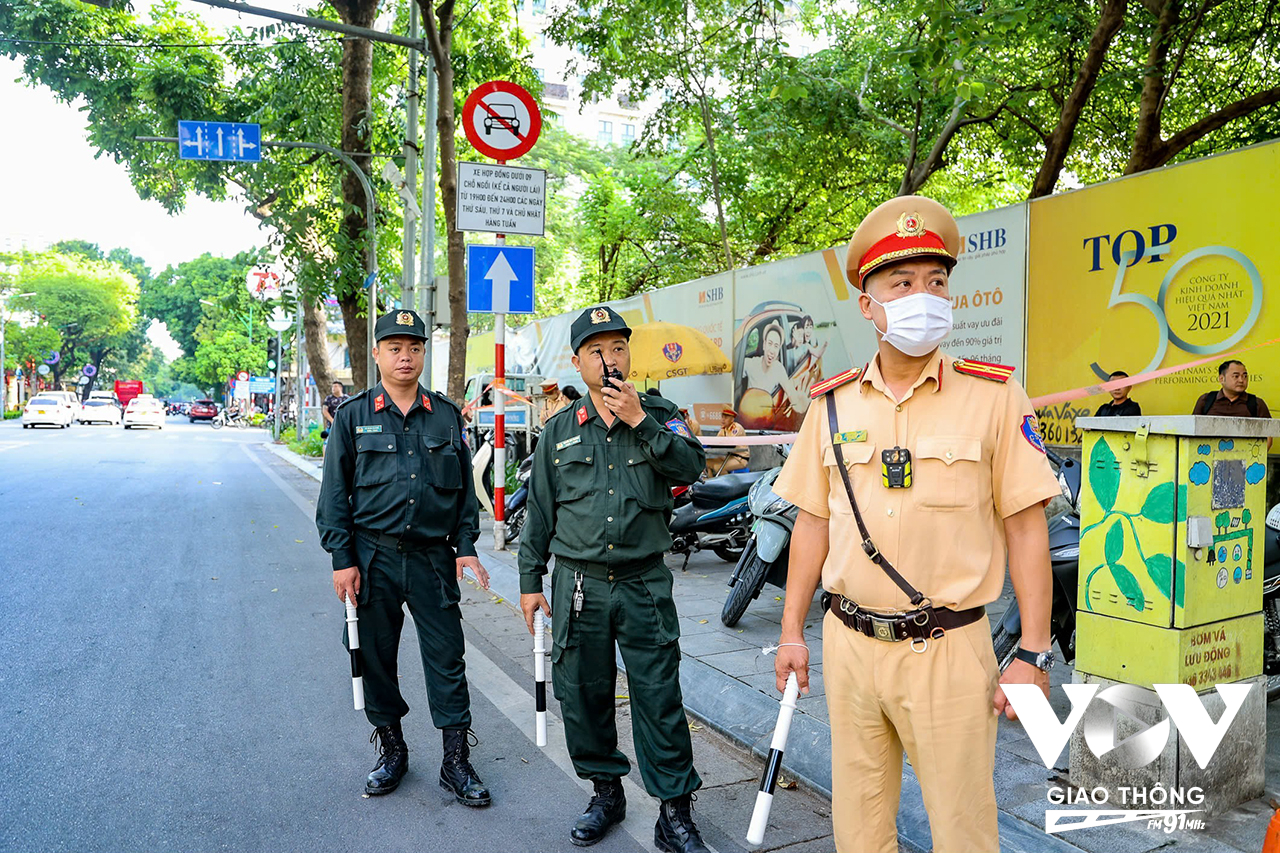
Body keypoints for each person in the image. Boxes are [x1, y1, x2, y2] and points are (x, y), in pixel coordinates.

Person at [770, 196, 1061, 853]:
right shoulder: (832, 405)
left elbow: (1025, 526)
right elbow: (813, 523)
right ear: (868, 305)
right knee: (860, 827)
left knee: (962, 830)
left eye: (936, 282)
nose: (923, 296)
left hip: (951, 650)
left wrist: (1034, 652)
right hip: (847, 644)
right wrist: (791, 630)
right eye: (901, 283)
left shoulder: (994, 395)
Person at [517, 305, 711, 852]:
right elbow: (540, 513)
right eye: (597, 351)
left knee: (658, 694)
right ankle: (606, 791)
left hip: (644, 581)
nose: (609, 359)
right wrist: (530, 579)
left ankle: (674, 811)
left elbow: (692, 467)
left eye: (618, 348)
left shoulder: (659, 412)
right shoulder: (558, 431)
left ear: (629, 355)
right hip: (578, 584)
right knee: (582, 692)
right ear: (578, 361)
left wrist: (639, 423)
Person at [315, 308, 494, 806]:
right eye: (394, 347)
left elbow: (464, 494)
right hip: (372, 557)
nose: (405, 356)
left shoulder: (445, 415)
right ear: (376, 354)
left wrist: (466, 549)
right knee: (375, 657)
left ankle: (455, 761)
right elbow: (333, 496)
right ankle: (392, 750)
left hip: (433, 559)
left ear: (423, 353)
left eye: (414, 347)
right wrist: (341, 558)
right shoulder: (354, 416)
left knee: (447, 658)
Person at [740, 321, 811, 426]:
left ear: (778, 350)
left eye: (776, 346)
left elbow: (791, 393)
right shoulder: (750, 363)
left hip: (766, 421)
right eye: (770, 344)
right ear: (764, 345)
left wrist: (800, 405)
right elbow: (731, 370)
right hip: (748, 419)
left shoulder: (778, 369)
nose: (772, 350)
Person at [705, 407, 748, 478]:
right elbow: (716, 441)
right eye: (722, 417)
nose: (723, 419)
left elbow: (730, 444)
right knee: (707, 462)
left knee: (717, 467)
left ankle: (728, 485)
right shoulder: (724, 429)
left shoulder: (736, 427)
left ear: (732, 419)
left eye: (726, 417)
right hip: (728, 456)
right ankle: (709, 482)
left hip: (739, 459)